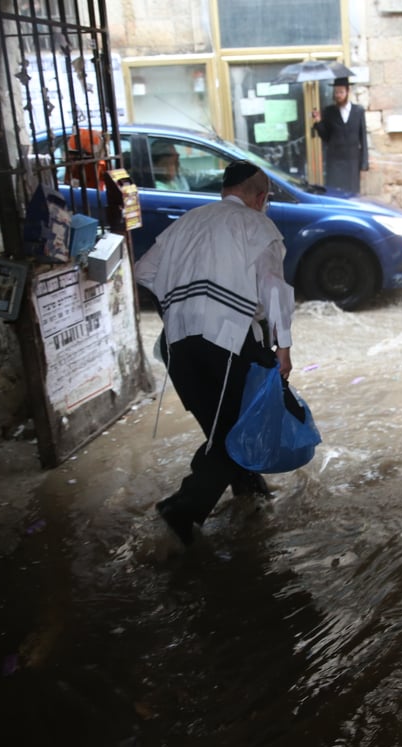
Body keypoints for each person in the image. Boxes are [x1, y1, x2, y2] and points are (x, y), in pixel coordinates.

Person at [134, 160, 294, 546]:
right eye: (267, 199)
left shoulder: (186, 222)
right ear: (260, 198)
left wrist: (185, 304)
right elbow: (273, 289)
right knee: (240, 431)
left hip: (179, 344)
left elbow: (143, 272)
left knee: (223, 429)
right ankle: (181, 510)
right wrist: (284, 349)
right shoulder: (258, 225)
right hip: (231, 340)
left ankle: (252, 498)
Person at [311, 76, 368, 194]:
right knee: (335, 194)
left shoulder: (358, 111)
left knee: (353, 195)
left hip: (352, 162)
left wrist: (364, 163)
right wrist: (318, 122)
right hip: (335, 163)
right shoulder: (328, 112)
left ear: (348, 92)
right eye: (336, 92)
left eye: (341, 92)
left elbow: (363, 138)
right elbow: (326, 137)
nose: (338, 95)